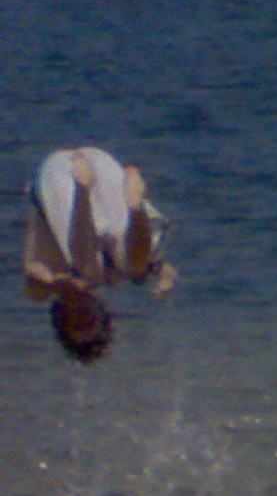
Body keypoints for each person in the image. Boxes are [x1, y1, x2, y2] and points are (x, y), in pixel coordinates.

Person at [23, 147, 178, 363]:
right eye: (89, 321)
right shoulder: (113, 275)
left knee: (90, 273)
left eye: (76, 323)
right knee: (136, 270)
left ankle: (83, 188)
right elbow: (160, 266)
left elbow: (33, 268)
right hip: (106, 171)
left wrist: (56, 282)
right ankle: (136, 205)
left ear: (62, 321)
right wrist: (167, 276)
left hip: (57, 174)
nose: (81, 316)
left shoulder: (42, 289)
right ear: (101, 315)